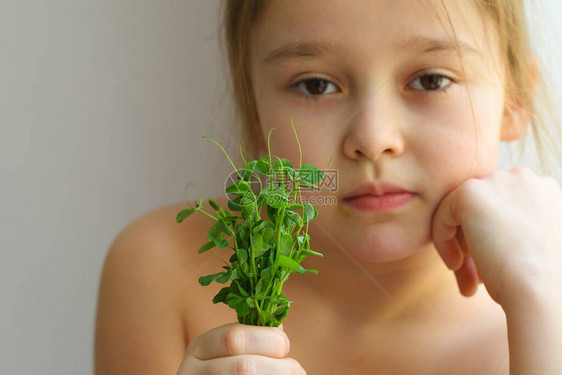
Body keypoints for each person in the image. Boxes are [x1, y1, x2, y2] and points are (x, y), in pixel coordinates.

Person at [94, 0, 562, 374]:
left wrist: (542, 302)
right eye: (316, 86)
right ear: (255, 116)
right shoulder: (160, 267)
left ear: (514, 99)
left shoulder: (545, 303)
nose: (373, 139)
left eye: (430, 79)